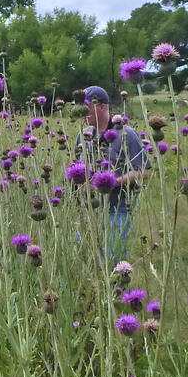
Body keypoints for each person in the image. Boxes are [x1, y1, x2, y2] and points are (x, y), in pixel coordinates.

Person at [75, 85, 151, 258]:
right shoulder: (83, 135)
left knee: (111, 260)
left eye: (86, 107)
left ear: (101, 106)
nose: (82, 112)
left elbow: (143, 172)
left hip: (117, 210)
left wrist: (112, 182)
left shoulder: (126, 133)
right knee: (83, 256)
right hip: (91, 210)